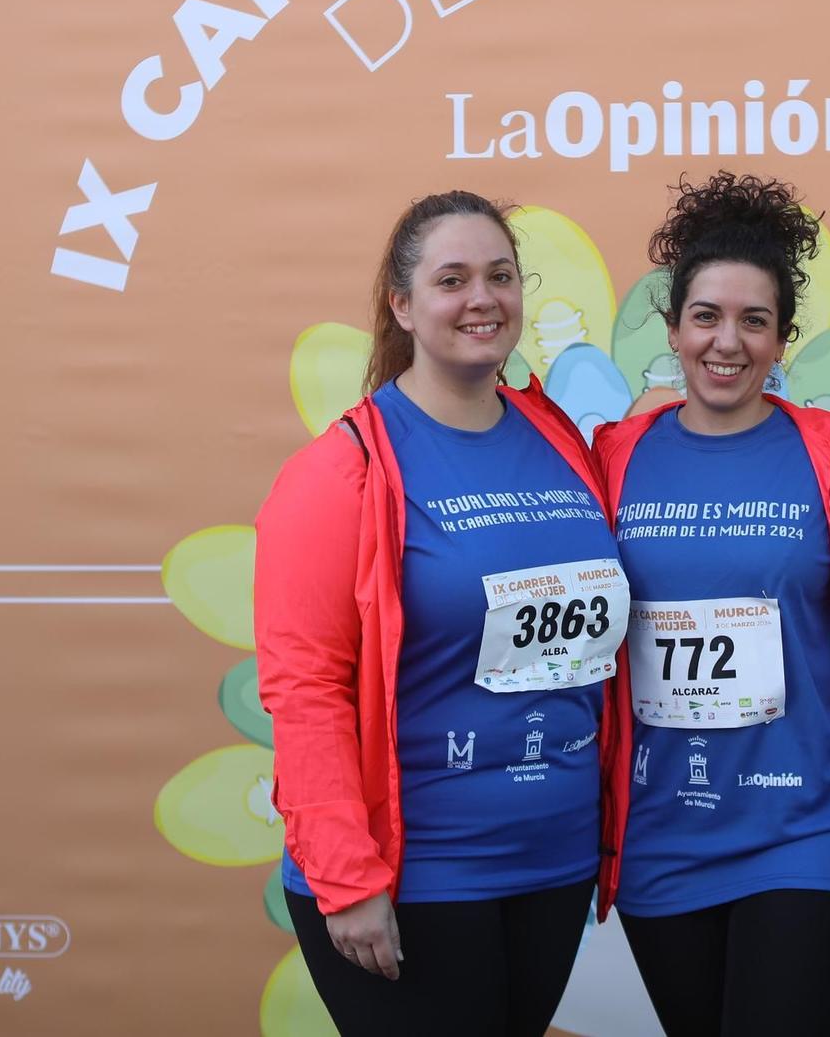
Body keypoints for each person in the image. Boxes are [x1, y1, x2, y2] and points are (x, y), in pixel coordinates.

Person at [254, 191, 628, 1037]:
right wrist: (349, 881)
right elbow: (304, 690)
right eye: (451, 279)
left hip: (552, 863)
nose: (481, 298)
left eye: (500, 275)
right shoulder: (339, 470)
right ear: (402, 304)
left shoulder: (561, 438)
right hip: (414, 876)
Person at [593, 172, 830, 1036]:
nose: (728, 342)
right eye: (707, 316)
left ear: (782, 339)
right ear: (673, 327)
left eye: (754, 320)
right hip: (663, 837)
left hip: (813, 828)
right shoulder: (613, 459)